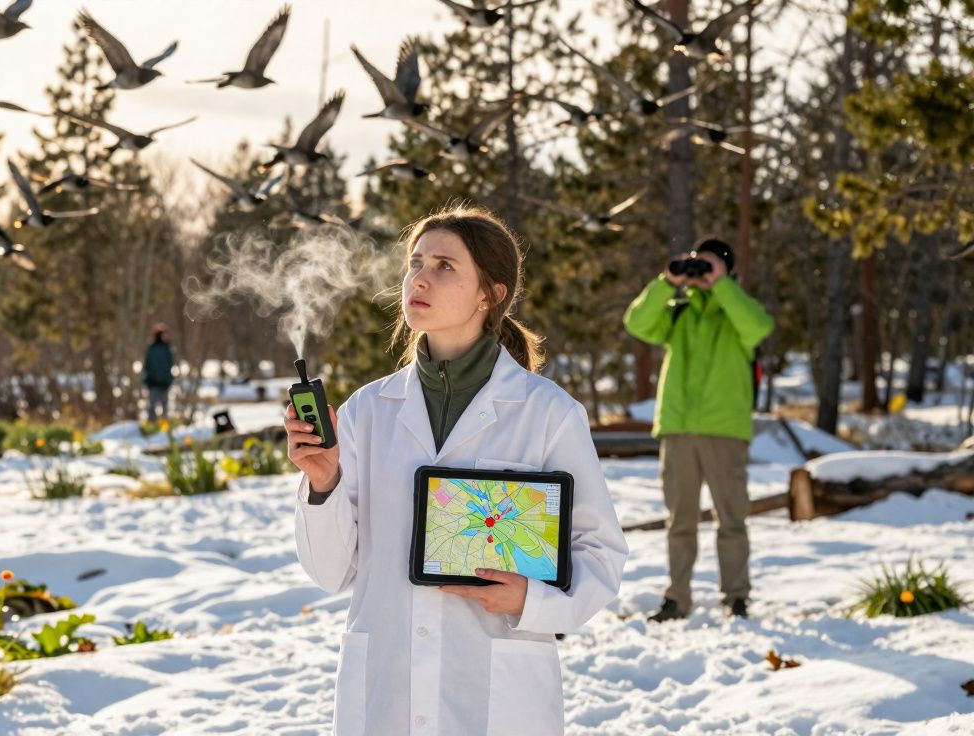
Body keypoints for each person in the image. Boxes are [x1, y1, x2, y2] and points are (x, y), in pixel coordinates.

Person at [287, 205, 628, 735]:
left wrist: (532, 600)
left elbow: (600, 555)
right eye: (415, 262)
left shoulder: (547, 413)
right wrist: (323, 481)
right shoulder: (367, 411)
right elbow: (333, 572)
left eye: (445, 266)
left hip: (497, 695)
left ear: (489, 294)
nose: (418, 278)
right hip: (386, 693)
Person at [622, 238, 774, 622]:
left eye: (709, 266)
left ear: (727, 269)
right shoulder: (679, 309)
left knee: (732, 519)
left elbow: (758, 328)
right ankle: (677, 598)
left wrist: (722, 285)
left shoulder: (736, 307)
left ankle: (736, 597)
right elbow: (636, 323)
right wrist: (667, 282)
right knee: (680, 521)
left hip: (725, 429)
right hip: (678, 427)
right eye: (697, 266)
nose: (700, 274)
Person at [143, 322, 175, 423]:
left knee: (162, 405)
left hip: (162, 382)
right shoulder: (154, 348)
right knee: (153, 405)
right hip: (155, 382)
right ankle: (153, 423)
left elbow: (170, 365)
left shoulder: (166, 349)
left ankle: (163, 425)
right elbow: (147, 365)